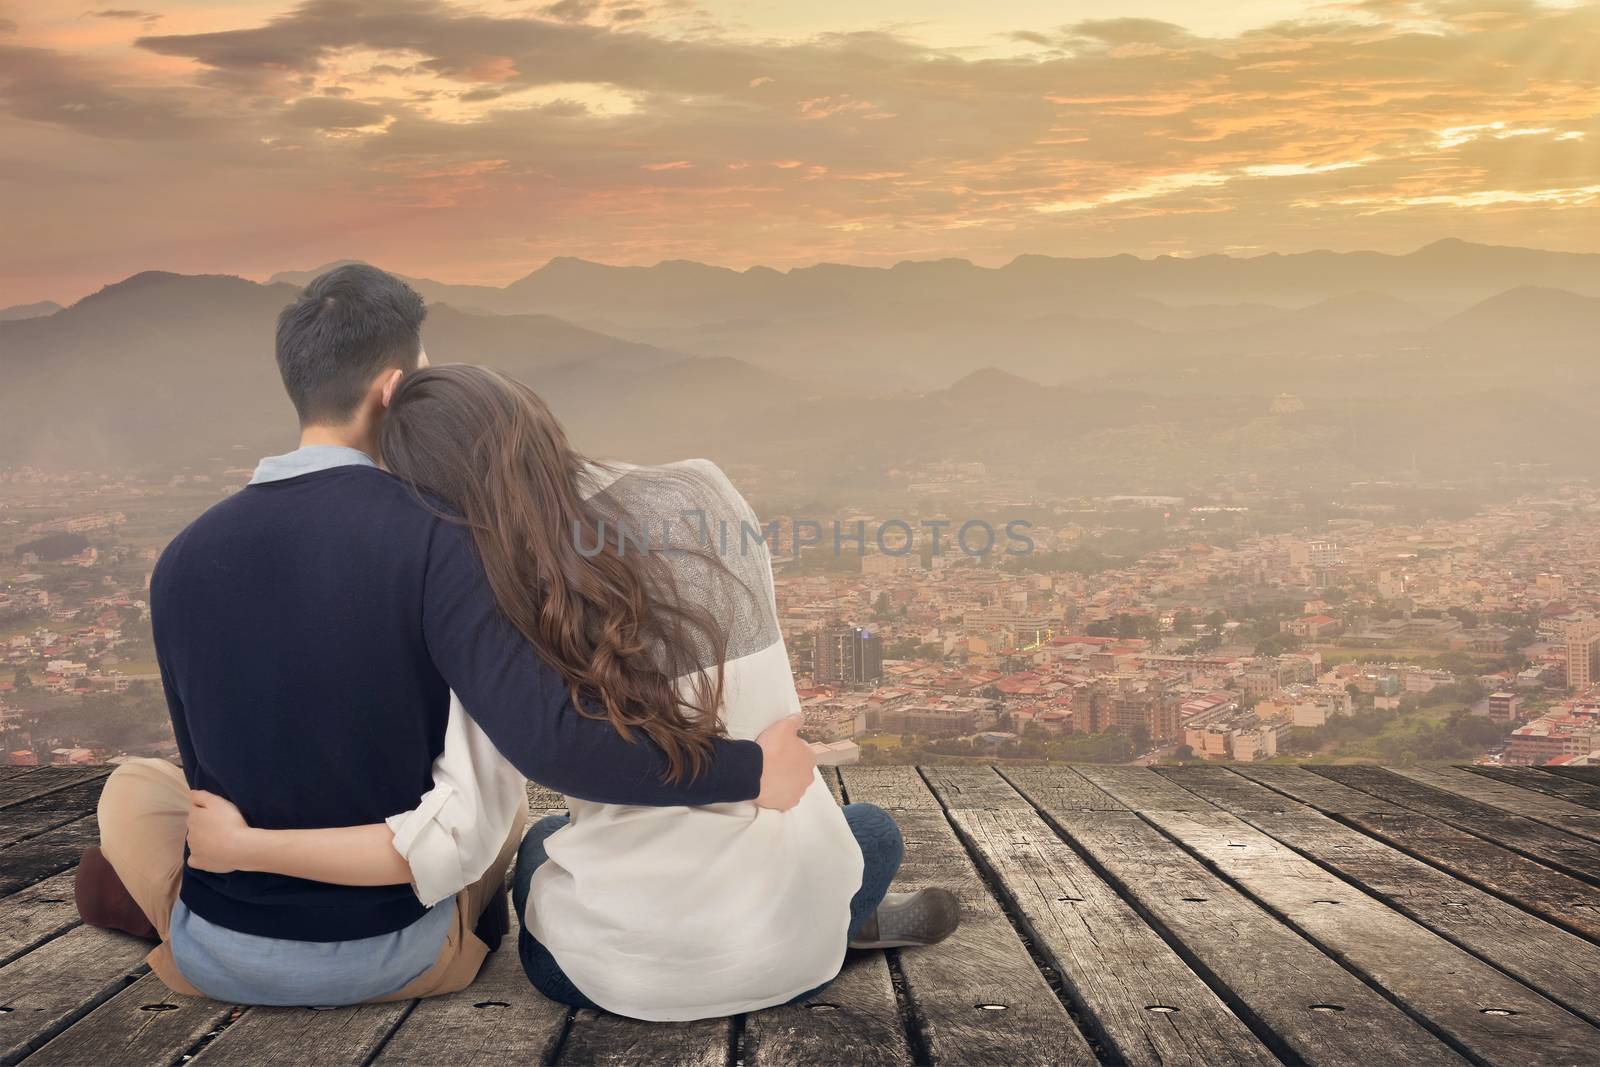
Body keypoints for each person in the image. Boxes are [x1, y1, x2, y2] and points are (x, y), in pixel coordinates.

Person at [74, 265, 819, 1008]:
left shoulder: (179, 560)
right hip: (401, 952)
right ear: (394, 389)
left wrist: (243, 845)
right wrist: (751, 769)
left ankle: (152, 903)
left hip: (221, 950)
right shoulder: (449, 542)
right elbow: (538, 749)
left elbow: (208, 767)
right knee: (509, 817)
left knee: (136, 788)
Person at [184, 364, 961, 1020]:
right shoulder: (707, 490)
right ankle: (834, 921)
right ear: (531, 418)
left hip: (627, 980)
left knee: (538, 850)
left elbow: (552, 756)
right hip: (793, 944)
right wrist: (757, 773)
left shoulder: (498, 590)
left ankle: (800, 921)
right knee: (866, 831)